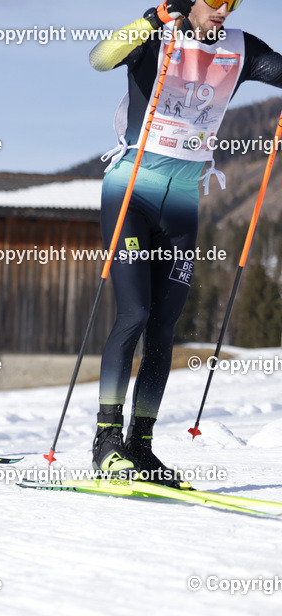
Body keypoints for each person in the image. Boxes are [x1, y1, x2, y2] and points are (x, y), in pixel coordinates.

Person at [88, 0, 282, 484]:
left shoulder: (241, 50)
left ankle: (141, 445)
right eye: (215, 1)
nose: (225, 10)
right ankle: (106, 443)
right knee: (134, 313)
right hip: (131, 190)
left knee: (164, 326)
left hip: (182, 204)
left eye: (233, 2)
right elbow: (100, 59)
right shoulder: (155, 38)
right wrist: (154, 18)